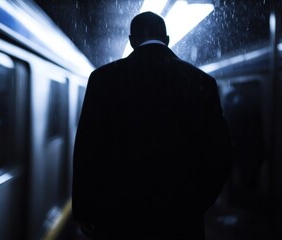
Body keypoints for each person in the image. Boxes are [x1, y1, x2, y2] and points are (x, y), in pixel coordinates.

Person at [72, 11, 233, 240]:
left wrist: (85, 211)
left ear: (131, 41)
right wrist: (196, 203)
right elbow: (221, 153)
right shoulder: (201, 81)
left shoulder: (103, 79)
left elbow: (88, 151)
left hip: (119, 220)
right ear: (166, 39)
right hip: (180, 222)